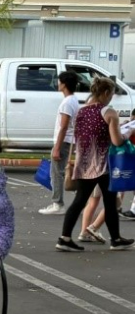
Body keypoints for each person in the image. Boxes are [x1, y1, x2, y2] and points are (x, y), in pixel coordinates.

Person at [56, 76, 134, 251]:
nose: (111, 98)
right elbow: (116, 141)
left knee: (80, 200)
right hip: (102, 164)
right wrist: (128, 132)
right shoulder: (108, 112)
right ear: (106, 93)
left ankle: (65, 237)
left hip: (84, 162)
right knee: (109, 201)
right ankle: (115, 239)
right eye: (112, 94)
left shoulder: (82, 112)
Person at [39, 71, 80, 215]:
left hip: (63, 142)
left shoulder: (67, 103)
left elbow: (64, 126)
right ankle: (61, 202)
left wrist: (56, 148)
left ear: (63, 84)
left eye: (59, 81)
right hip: (68, 141)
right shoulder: (73, 100)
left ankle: (58, 204)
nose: (58, 84)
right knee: (60, 172)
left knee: (57, 173)